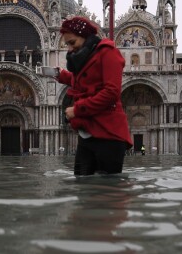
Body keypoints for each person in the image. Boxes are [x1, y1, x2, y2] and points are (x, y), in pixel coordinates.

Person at [56, 16, 132, 175]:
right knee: (82, 185)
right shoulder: (86, 56)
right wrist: (61, 75)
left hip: (108, 133)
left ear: (85, 36)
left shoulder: (108, 53)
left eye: (72, 43)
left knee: (107, 189)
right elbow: (87, 81)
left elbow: (111, 92)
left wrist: (76, 110)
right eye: (67, 44)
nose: (69, 49)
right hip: (88, 132)